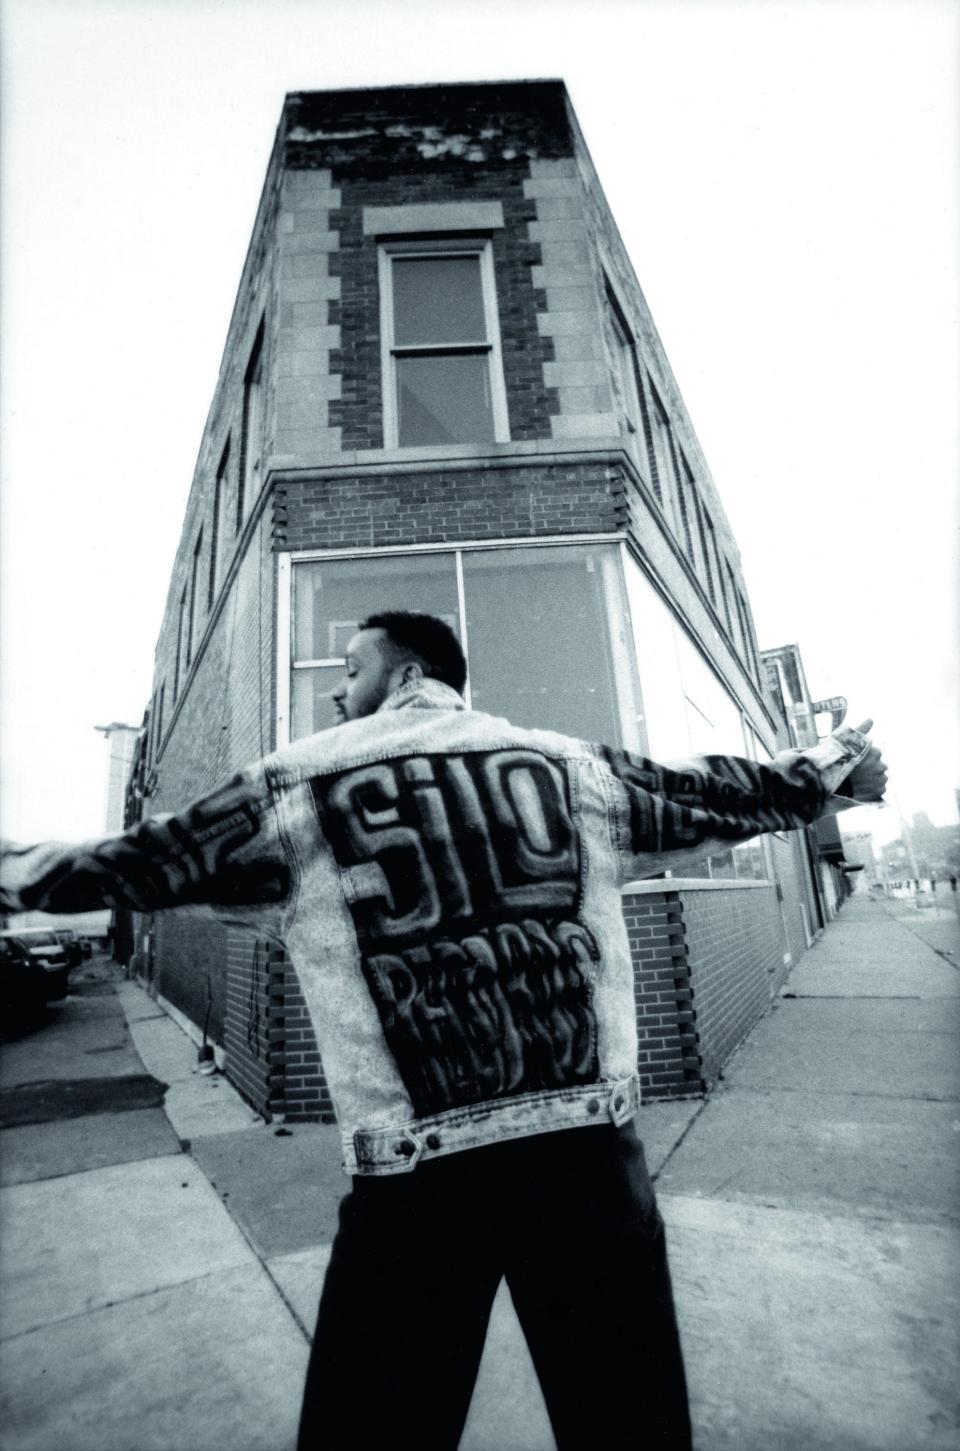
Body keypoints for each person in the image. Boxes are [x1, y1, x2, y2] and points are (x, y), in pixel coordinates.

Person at [0, 610, 888, 1450]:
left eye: (350, 672)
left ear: (410, 673)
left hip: (417, 1194)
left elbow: (132, 861)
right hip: (588, 1167)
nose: (336, 694)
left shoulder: (295, 788)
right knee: (627, 1424)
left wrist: (12, 872)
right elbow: (729, 793)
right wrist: (838, 758)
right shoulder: (572, 770)